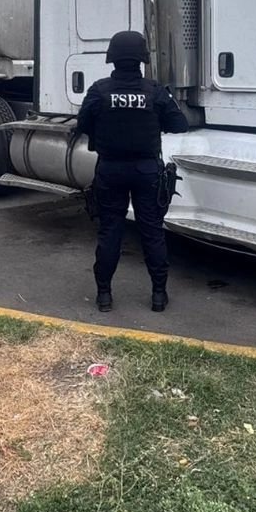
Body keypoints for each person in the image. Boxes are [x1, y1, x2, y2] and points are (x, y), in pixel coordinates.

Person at [77, 30, 189, 313]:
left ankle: (104, 296)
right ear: (142, 59)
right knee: (152, 232)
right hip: (146, 171)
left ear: (112, 58)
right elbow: (180, 125)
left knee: (110, 232)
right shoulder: (155, 91)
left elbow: (82, 124)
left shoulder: (99, 90)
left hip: (110, 170)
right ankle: (159, 296)